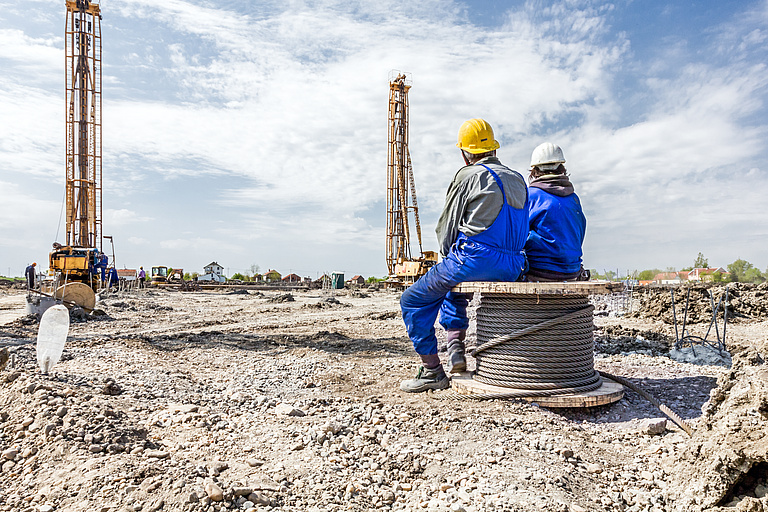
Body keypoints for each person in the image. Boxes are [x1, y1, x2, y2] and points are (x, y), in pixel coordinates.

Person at [399, 118, 529, 393]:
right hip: (514, 264)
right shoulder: (518, 179)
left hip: (474, 259)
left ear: (464, 153)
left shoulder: (468, 176)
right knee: (451, 282)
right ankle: (455, 348)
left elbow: (446, 228)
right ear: (494, 149)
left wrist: (449, 256)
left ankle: (433, 370)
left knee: (412, 300)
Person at [525, 143, 587, 281]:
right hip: (572, 270)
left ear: (534, 170)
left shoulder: (530, 196)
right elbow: (579, 233)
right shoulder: (573, 199)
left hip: (539, 271)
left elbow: (517, 235)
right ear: (561, 168)